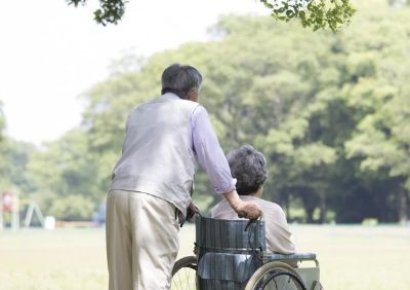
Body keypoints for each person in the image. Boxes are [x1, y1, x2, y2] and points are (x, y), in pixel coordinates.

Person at [105, 63, 262, 290]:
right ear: (192, 93)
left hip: (119, 193)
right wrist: (237, 202)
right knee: (152, 279)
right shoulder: (193, 111)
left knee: (121, 281)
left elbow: (141, 159)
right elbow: (213, 160)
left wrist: (185, 200)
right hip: (155, 201)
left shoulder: (138, 112)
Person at [211, 144, 296, 255]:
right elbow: (288, 254)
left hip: (222, 270)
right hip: (263, 270)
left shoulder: (217, 210)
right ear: (261, 182)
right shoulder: (274, 211)